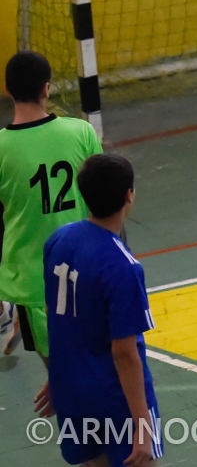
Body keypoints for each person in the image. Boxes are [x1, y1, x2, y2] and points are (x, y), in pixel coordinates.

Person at [43, 153, 162, 467]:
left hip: (72, 389)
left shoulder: (58, 240)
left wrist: (57, 374)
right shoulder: (124, 267)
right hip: (113, 397)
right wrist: (142, 426)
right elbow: (124, 353)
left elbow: (54, 316)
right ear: (129, 195)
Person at [0, 52, 102, 372]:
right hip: (86, 271)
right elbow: (104, 200)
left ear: (7, 90)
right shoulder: (82, 132)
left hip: (33, 284)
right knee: (95, 364)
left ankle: (8, 310)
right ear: (47, 88)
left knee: (61, 374)